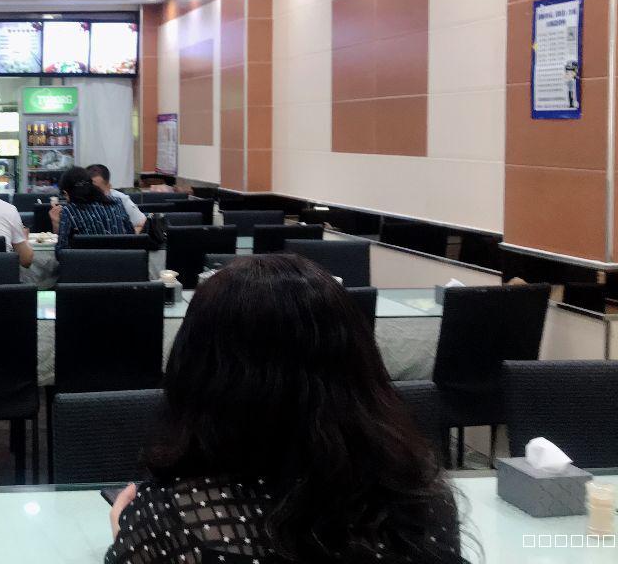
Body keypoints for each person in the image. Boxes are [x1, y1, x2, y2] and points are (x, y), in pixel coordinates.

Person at [106, 255, 464, 564]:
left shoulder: (175, 519)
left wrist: (134, 536)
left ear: (196, 371)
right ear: (360, 364)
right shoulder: (422, 502)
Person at [50, 166, 134, 252]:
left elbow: (62, 251)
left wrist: (57, 224)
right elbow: (131, 235)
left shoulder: (69, 211)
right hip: (122, 258)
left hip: (85, 260)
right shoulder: (117, 202)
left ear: (66, 193)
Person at [86, 163, 146, 234]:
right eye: (89, 190)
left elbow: (142, 223)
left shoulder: (121, 200)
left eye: (98, 190)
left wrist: (126, 236)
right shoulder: (78, 203)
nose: (94, 194)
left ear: (109, 186)